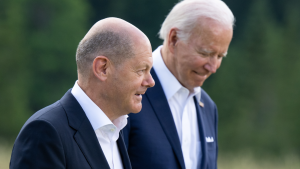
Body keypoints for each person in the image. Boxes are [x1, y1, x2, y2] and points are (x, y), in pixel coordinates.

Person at [10, 17, 155, 169]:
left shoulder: (117, 132)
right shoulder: (44, 133)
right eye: (141, 70)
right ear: (102, 68)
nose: (151, 82)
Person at [123, 0, 235, 169]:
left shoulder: (208, 108)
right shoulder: (127, 92)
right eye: (205, 53)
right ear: (174, 39)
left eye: (220, 56)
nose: (213, 67)